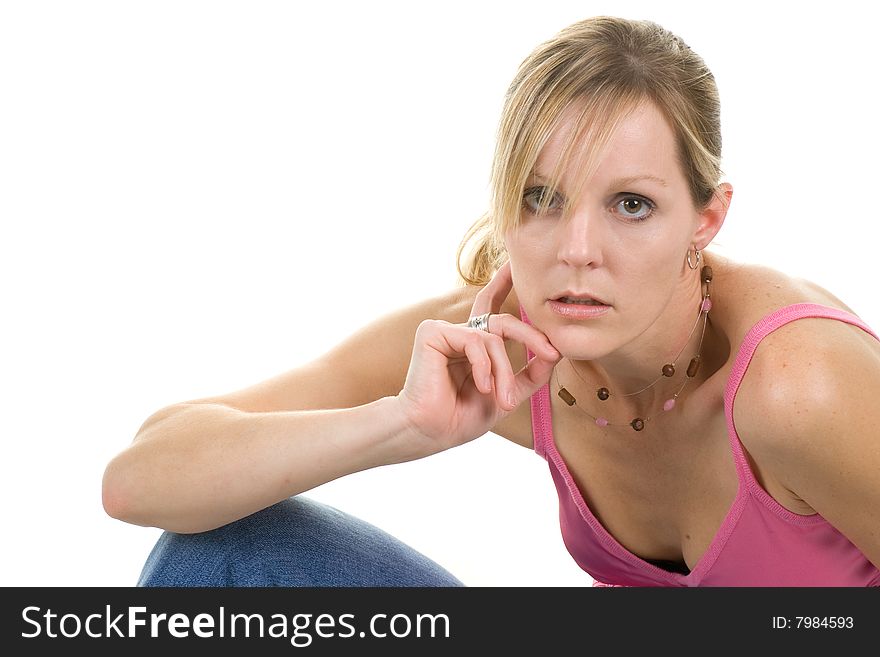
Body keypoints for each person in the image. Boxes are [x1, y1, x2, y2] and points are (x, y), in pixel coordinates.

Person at [102, 15, 880, 587]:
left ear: (707, 217)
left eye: (631, 204)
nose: (578, 248)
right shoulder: (492, 345)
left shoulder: (795, 384)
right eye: (542, 197)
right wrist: (398, 423)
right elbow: (140, 479)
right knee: (218, 557)